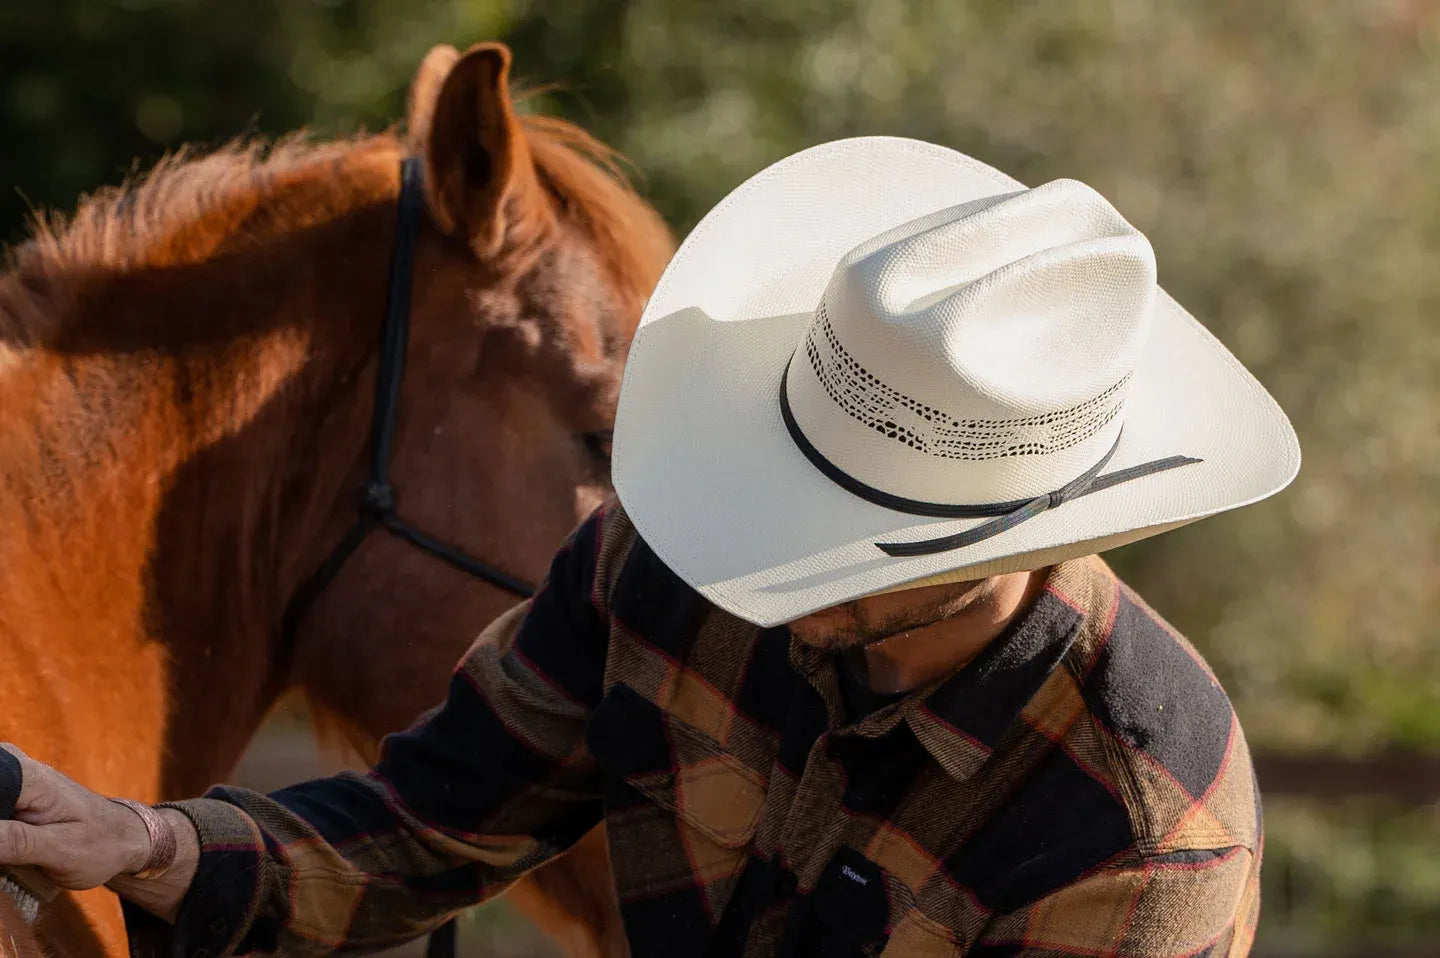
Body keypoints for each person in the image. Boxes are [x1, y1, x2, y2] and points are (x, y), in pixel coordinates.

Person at [0, 138, 1298, 957]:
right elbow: (425, 832)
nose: (773, 549)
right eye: (804, 482)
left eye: (849, 537)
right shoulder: (667, 561)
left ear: (1015, 534)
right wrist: (144, 844)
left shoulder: (1140, 825)